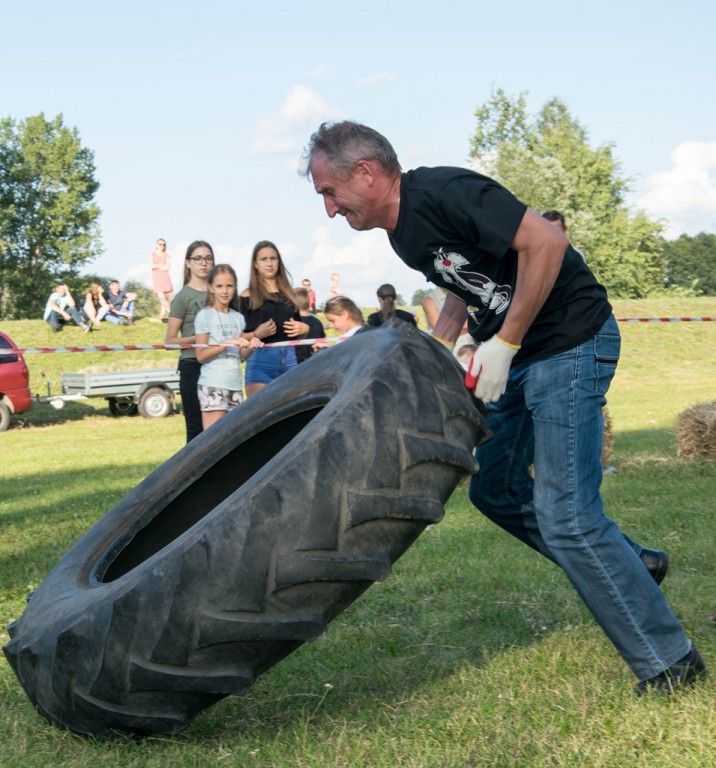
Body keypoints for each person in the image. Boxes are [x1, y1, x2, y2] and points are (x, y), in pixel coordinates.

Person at [301, 120, 706, 694]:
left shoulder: (445, 192)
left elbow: (547, 242)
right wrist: (437, 352)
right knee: (494, 491)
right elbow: (463, 290)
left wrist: (506, 342)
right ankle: (630, 566)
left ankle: (671, 660)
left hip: (569, 340)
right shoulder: (402, 233)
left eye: (329, 191)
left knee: (567, 516)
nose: (329, 209)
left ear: (365, 172)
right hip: (517, 355)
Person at [195, 264, 262, 429]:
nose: (225, 291)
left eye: (229, 286)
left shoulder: (238, 318)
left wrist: (252, 346)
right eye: (219, 286)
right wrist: (224, 344)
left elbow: (239, 357)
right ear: (211, 288)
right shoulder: (205, 316)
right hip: (213, 384)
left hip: (235, 386)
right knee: (212, 443)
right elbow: (201, 355)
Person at [239, 240, 309, 397]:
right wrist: (257, 334)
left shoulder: (290, 294)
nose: (269, 263)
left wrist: (305, 329)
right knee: (260, 416)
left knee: (291, 416)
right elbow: (238, 337)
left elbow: (297, 332)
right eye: (264, 259)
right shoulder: (247, 295)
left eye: (273, 258)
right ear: (255, 264)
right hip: (260, 361)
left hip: (290, 360)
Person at [165, 241, 213, 442]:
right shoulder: (183, 297)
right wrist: (198, 338)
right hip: (192, 366)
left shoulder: (218, 292)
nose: (203, 263)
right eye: (198, 258)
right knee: (196, 430)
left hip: (217, 365)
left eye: (208, 258)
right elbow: (169, 340)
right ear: (188, 263)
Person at [294, 286, 325, 363]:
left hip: (295, 364)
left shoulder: (292, 323)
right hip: (314, 363)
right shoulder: (317, 322)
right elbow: (323, 342)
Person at [150, 238, 174, 322]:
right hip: (157, 278)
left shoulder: (167, 256)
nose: (162, 246)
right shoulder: (152, 254)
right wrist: (160, 265)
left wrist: (158, 266)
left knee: (164, 297)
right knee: (161, 297)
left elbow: (167, 267)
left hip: (165, 277)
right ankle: (171, 314)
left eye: (163, 244)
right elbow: (151, 266)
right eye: (160, 244)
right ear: (156, 245)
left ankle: (161, 316)